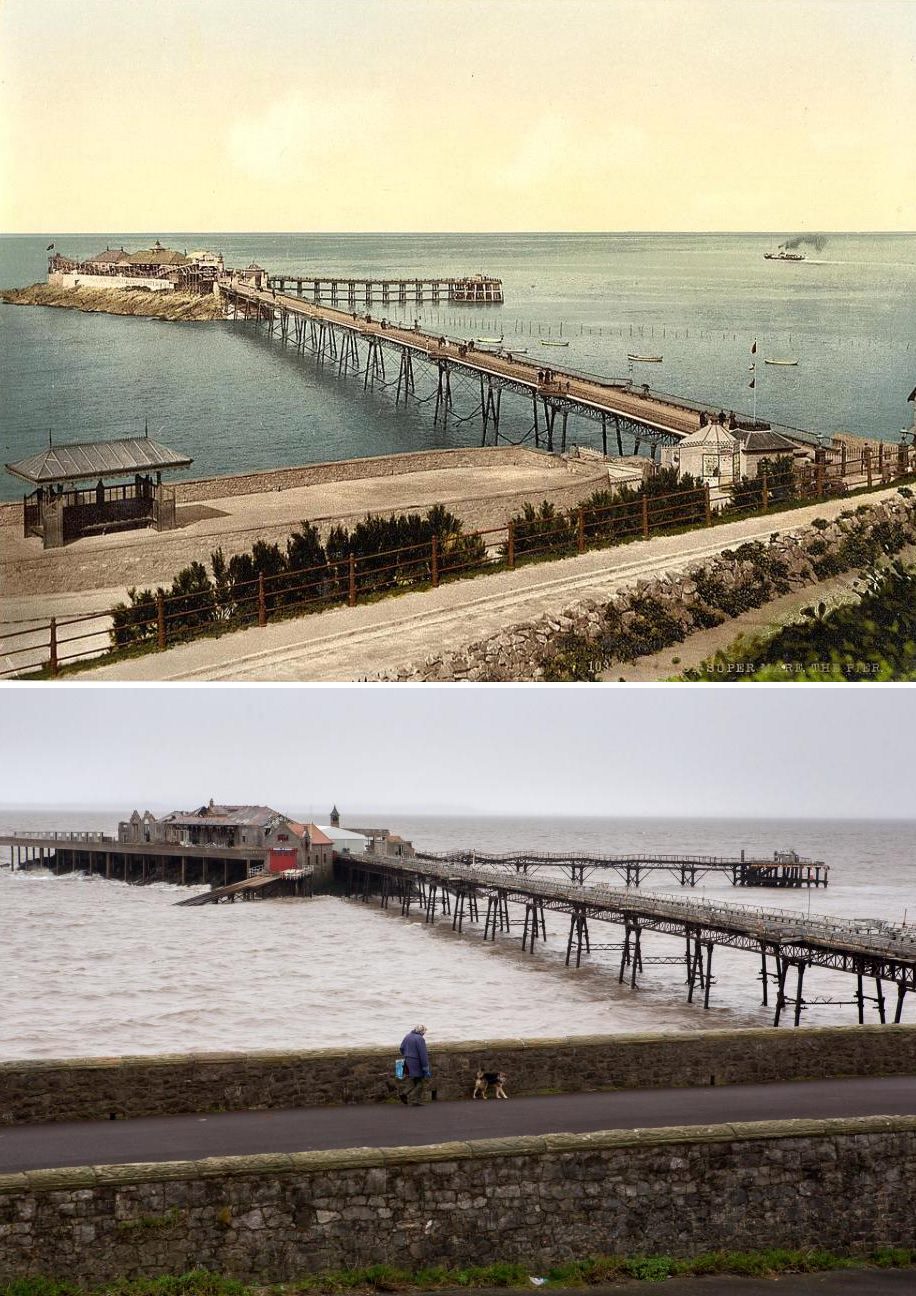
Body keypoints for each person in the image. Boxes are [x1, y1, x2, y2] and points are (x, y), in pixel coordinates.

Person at [399, 1024, 431, 1106]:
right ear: (421, 1031)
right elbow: (423, 1054)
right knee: (420, 1082)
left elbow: (401, 1048)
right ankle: (414, 1100)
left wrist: (406, 1055)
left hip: (408, 1060)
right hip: (416, 1062)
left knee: (413, 1080)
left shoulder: (407, 1036)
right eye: (424, 1032)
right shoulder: (420, 1039)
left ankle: (404, 1093)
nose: (424, 1033)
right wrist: (426, 1067)